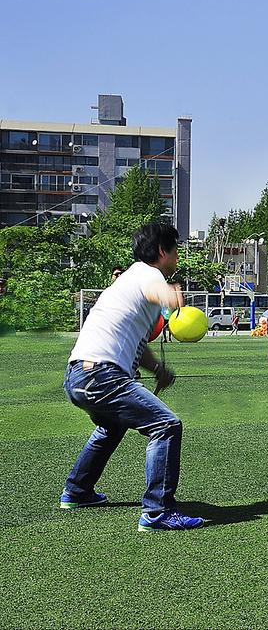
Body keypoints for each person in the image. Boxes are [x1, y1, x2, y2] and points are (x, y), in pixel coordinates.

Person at [60, 222, 204, 531]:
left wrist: (158, 369)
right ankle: (157, 512)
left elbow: (138, 343)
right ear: (163, 251)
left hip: (78, 376)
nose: (177, 256)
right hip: (102, 376)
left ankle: (77, 491)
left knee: (112, 426)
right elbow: (157, 289)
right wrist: (171, 295)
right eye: (176, 250)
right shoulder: (148, 275)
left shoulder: (128, 280)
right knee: (166, 425)